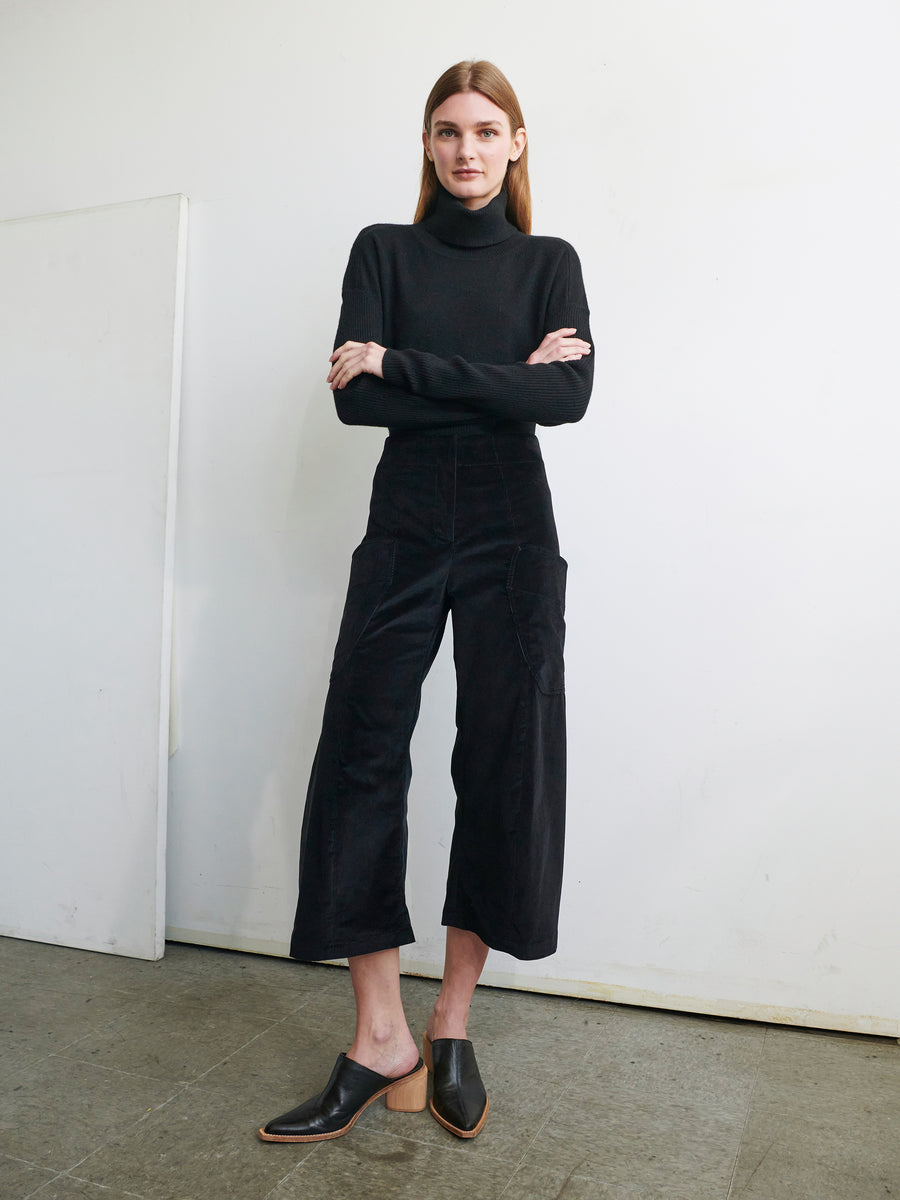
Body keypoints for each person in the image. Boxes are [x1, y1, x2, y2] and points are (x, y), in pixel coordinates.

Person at [259, 59, 592, 1145]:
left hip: (512, 526)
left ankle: (451, 1023)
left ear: (518, 143)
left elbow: (570, 396)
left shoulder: (549, 263)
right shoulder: (382, 250)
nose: (466, 149)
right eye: (447, 130)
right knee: (362, 750)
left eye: (487, 130)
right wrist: (498, 376)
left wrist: (409, 361)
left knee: (503, 759)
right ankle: (379, 1034)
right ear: (426, 143)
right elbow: (359, 407)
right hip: (405, 519)